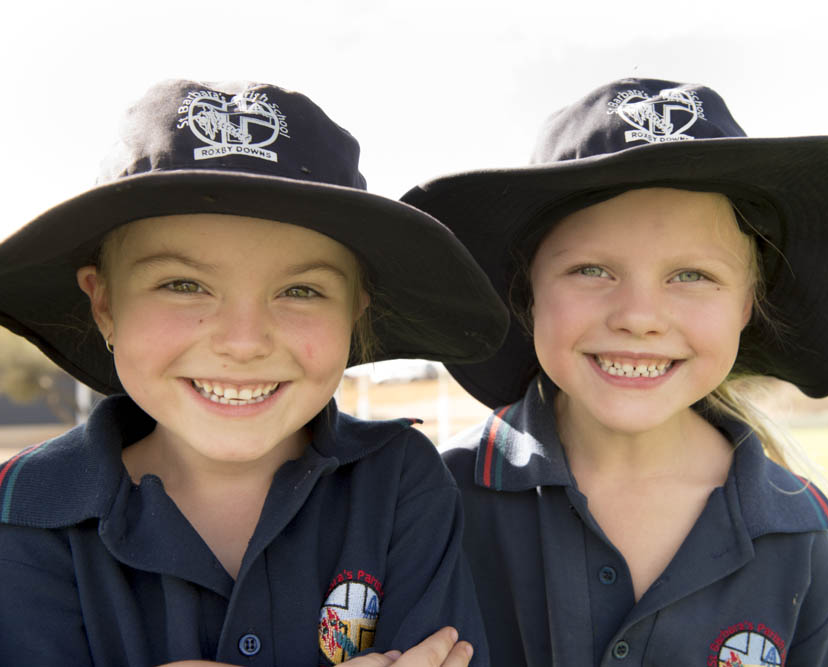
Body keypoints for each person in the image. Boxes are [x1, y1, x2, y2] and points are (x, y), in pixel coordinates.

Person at [402, 78, 828, 666]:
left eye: (692, 276)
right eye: (592, 270)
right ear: (526, 296)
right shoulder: (425, 504)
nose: (640, 318)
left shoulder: (797, 544)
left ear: (747, 305)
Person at [0, 79, 509, 666]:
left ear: (355, 309)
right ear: (105, 304)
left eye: (300, 290)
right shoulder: (25, 508)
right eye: (183, 284)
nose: (243, 343)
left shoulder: (398, 481)